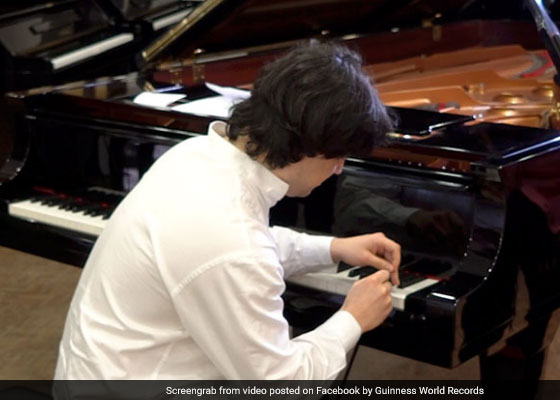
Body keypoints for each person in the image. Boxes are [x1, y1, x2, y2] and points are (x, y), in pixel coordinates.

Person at [54, 41, 401, 380]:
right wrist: (352, 318)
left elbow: (238, 250)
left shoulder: (193, 153)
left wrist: (332, 249)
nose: (339, 169)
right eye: (338, 156)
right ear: (307, 145)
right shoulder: (230, 238)